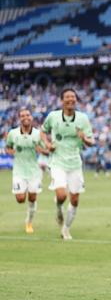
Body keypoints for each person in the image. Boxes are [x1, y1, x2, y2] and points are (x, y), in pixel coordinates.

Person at [40, 88, 95, 240]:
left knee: (75, 199)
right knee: (61, 195)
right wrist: (47, 144)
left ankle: (66, 229)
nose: (71, 99)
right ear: (62, 100)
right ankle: (58, 208)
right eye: (67, 97)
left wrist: (84, 139)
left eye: (73, 97)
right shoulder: (53, 116)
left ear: (76, 100)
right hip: (57, 162)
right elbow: (42, 132)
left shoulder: (83, 118)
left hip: (75, 163)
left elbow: (92, 141)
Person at [5, 108, 46, 234]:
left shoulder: (38, 134)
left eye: (27, 115)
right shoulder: (13, 133)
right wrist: (12, 152)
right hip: (19, 171)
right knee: (20, 199)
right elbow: (8, 148)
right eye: (22, 116)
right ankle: (24, 191)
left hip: (34, 171)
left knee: (32, 198)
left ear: (31, 117)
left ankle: (29, 223)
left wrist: (41, 150)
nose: (25, 117)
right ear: (19, 118)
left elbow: (46, 149)